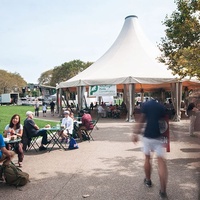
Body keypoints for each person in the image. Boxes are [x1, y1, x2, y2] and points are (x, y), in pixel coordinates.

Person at [132, 98, 168, 199]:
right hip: (159, 137)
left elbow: (141, 120)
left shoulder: (146, 105)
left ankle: (148, 180)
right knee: (161, 162)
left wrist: (136, 133)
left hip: (147, 136)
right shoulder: (161, 107)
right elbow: (166, 122)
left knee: (147, 158)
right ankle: (163, 191)